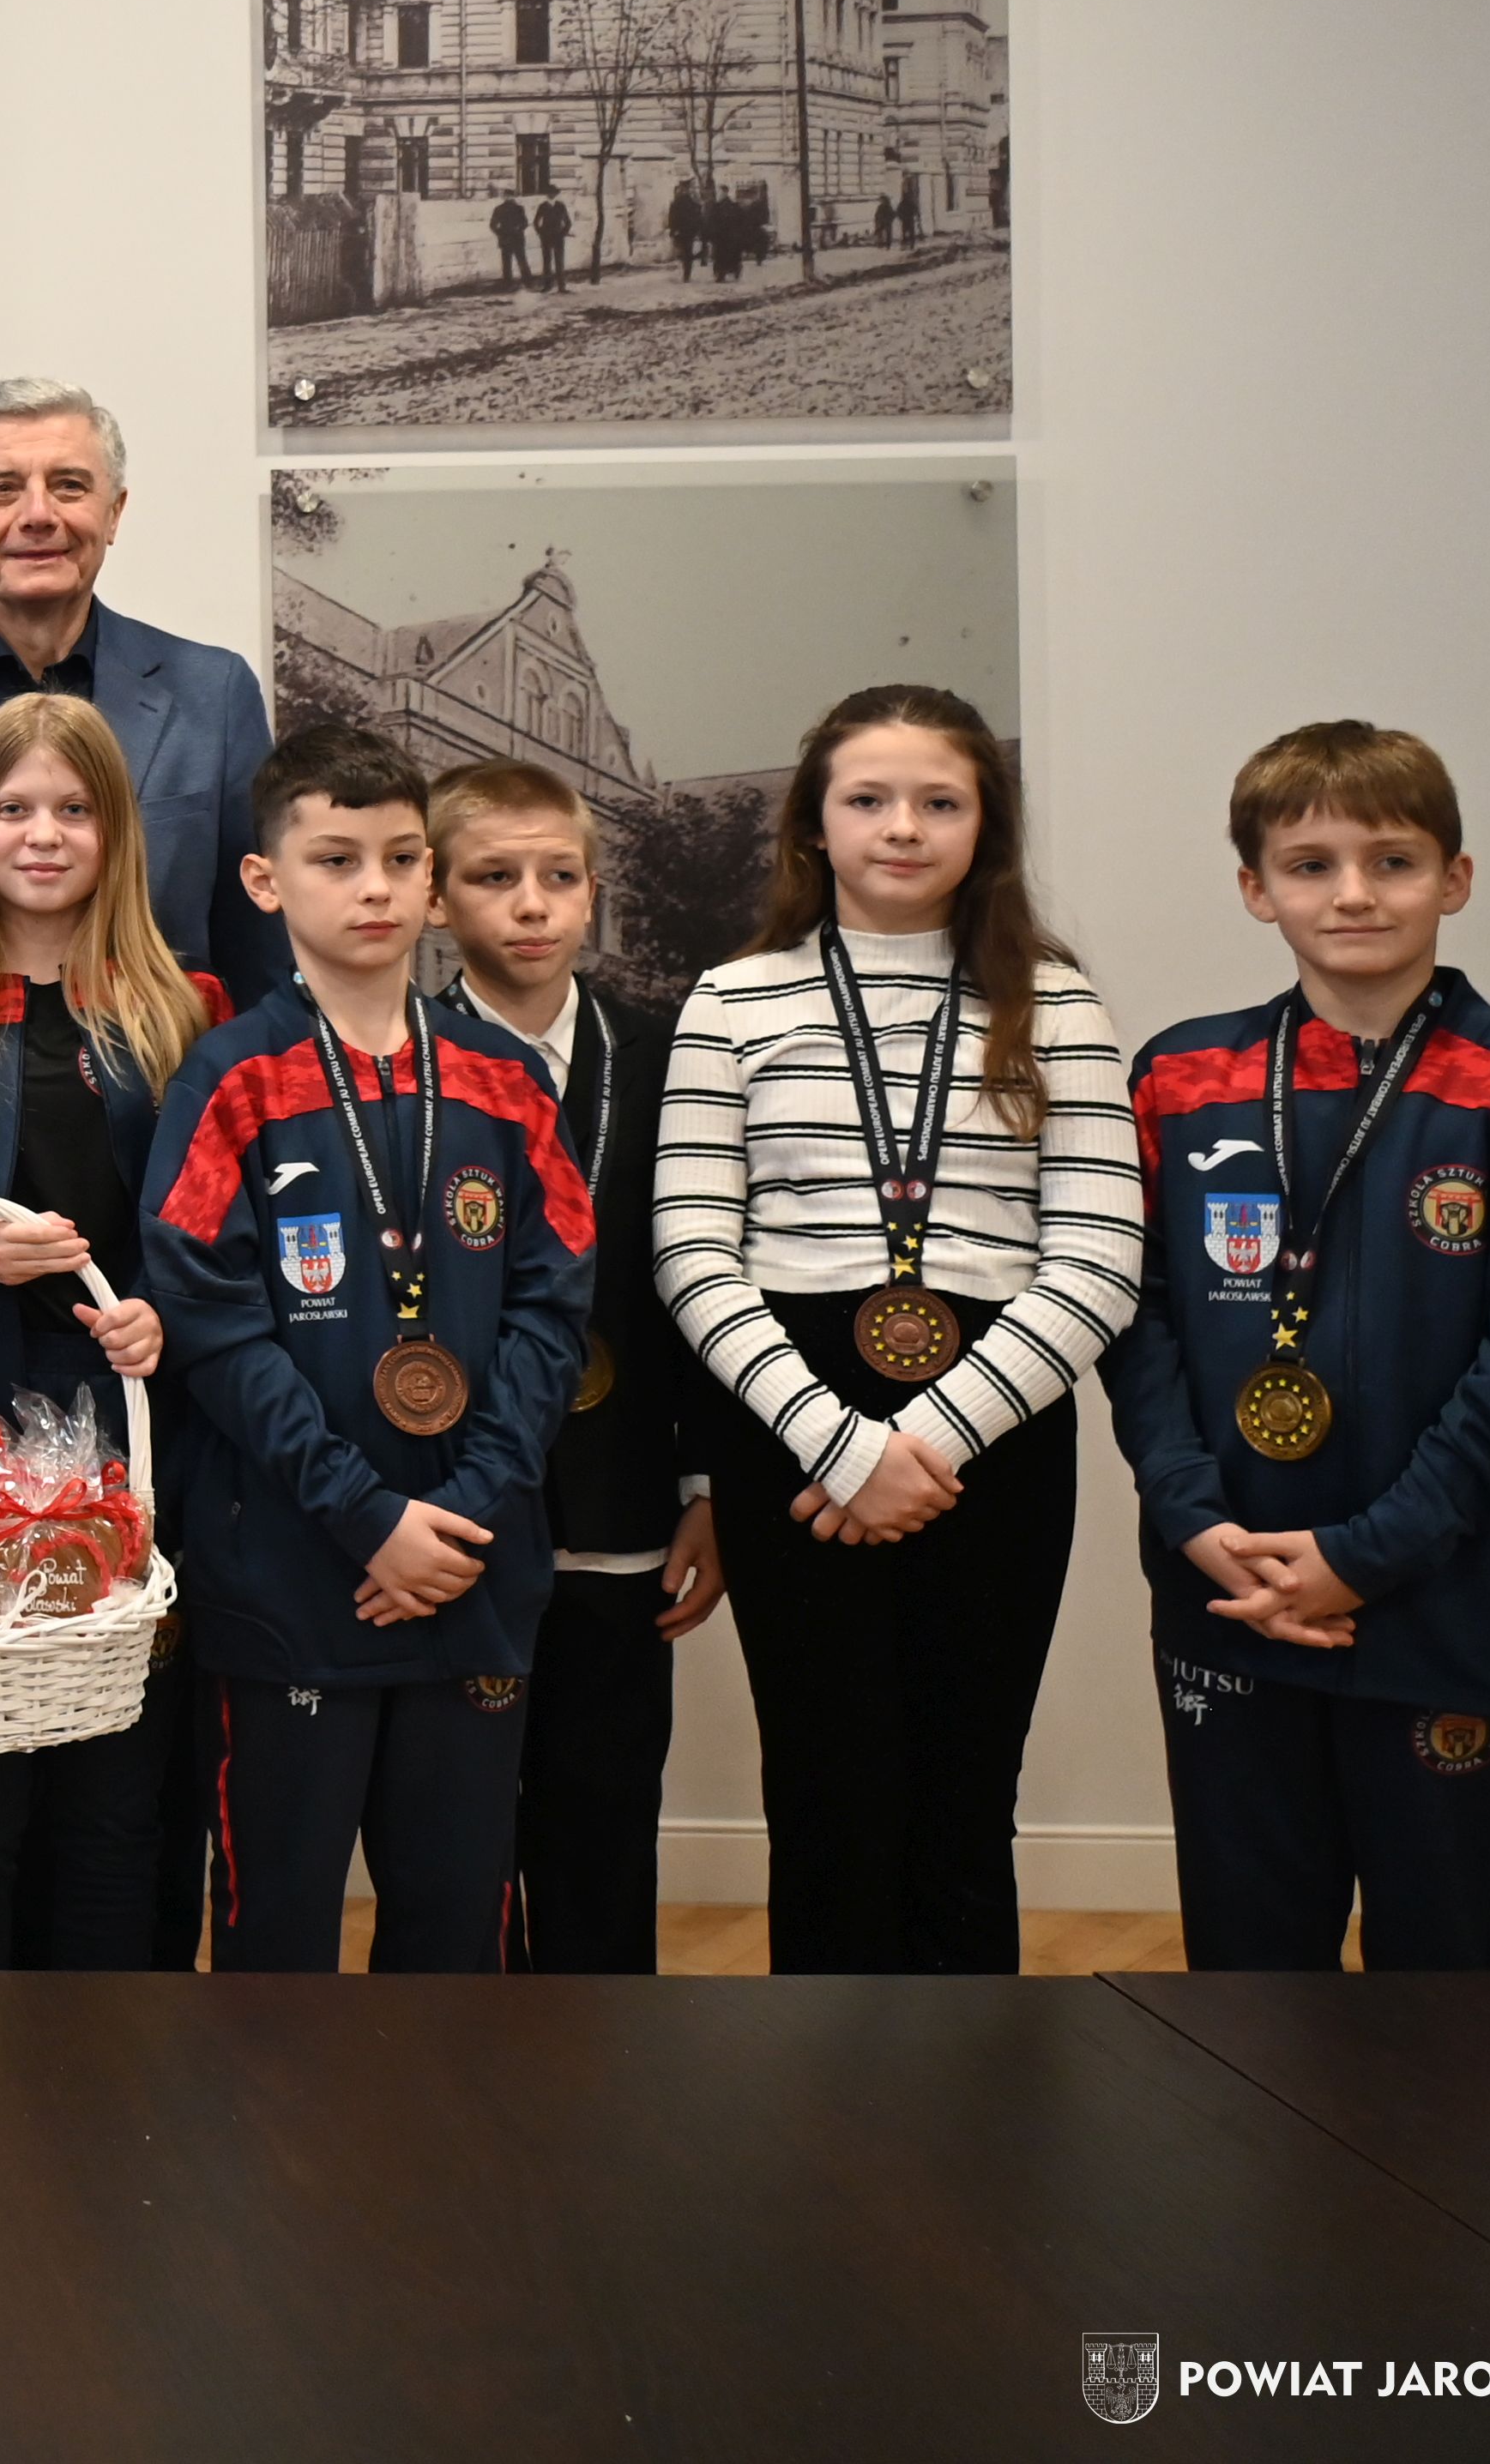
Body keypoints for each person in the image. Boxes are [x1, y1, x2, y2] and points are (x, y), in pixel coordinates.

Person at [1103, 725, 1490, 1972]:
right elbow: (1131, 1314)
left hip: (1449, 1597)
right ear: (1257, 889)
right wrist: (1190, 1516)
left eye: (1392, 860)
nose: (1353, 893)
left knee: (1442, 1978)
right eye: (1311, 864)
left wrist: (1369, 1553)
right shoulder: (1179, 1079)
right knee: (1248, 1972)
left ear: (1455, 878)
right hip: (1232, 1584)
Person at [653, 683, 1141, 1975]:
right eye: (868, 799)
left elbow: (1100, 1259)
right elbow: (693, 1255)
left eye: (940, 801)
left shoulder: (1058, 1003)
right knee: (825, 1792)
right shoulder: (732, 1000)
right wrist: (841, 1443)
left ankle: (971, 2088)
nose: (904, 827)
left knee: (966, 1793)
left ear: (988, 826)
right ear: (813, 825)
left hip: (995, 1425)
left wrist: (928, 1438)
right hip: (788, 1426)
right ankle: (831, 2086)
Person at [143, 721, 589, 1973]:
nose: (375, 888)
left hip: (469, 1571)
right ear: (265, 879)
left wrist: (463, 1513)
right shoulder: (227, 1080)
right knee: (278, 1934)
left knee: (455, 1931)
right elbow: (211, 1327)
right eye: (336, 860)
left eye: (401, 859)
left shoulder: (506, 1081)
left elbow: (553, 1309)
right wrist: (364, 1516)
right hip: (292, 1579)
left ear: (433, 881)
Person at [0, 693, 214, 1968]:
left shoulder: (186, 1008)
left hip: (128, 1434)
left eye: (74, 808)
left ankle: (108, 2055)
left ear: (117, 829)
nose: (44, 834)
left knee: (118, 1789)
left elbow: (212, 1227)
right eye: (14, 809)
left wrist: (167, 1311)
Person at [424, 760, 719, 1974]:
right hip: (457, 1506)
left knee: (604, 1814)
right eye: (495, 877)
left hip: (624, 1496)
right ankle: (472, 2067)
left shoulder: (669, 1051)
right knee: (461, 1835)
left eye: (559, 876)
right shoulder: (402, 1057)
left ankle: (605, 2061)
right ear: (436, 897)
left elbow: (702, 1281)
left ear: (595, 890)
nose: (533, 904)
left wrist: (706, 1485)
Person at [0, 379, 287, 1015]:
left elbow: (261, 960)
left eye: (69, 486)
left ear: (114, 513)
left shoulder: (213, 695)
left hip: (167, 1071)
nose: (38, 514)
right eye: (2, 489)